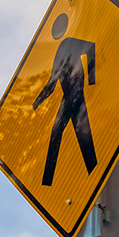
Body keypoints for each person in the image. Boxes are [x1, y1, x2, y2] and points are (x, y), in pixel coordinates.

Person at [33, 13, 97, 186]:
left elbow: (91, 47)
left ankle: (47, 182)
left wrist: (92, 80)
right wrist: (34, 105)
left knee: (60, 133)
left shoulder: (70, 42)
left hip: (76, 93)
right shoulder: (60, 50)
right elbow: (52, 83)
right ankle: (94, 172)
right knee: (82, 137)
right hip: (67, 96)